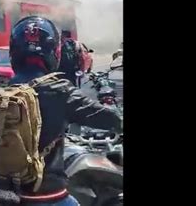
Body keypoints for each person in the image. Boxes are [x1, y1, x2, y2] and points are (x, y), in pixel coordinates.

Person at [8, 16, 122, 206]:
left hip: (9, 188)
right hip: (47, 193)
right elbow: (106, 117)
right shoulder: (58, 89)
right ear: (54, 52)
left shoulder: (4, 90)